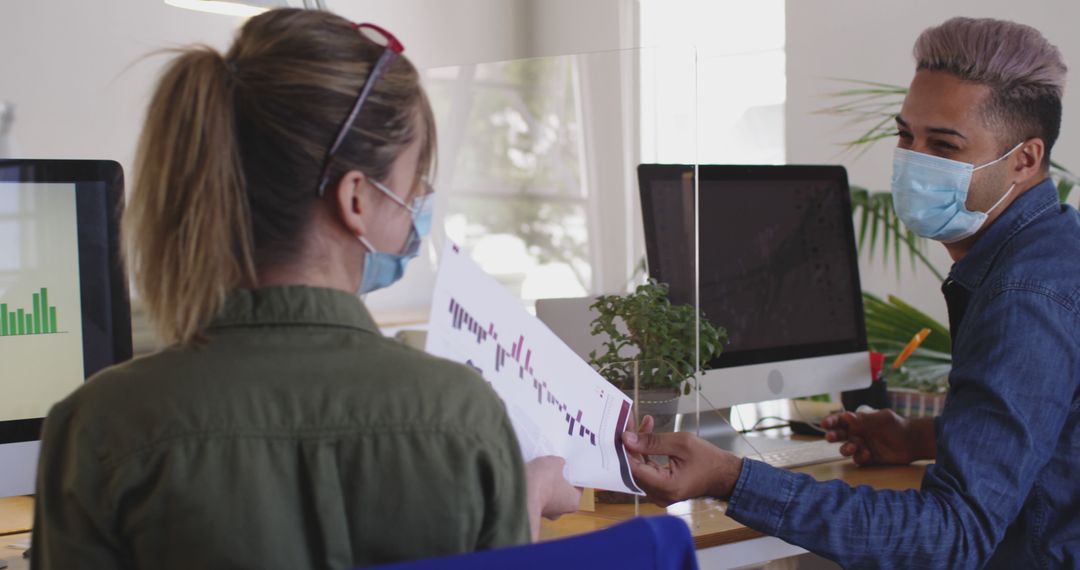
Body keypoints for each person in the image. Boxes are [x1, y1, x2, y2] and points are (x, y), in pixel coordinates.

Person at [30, 9, 579, 570]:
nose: (421, 202)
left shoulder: (98, 427)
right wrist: (526, 494)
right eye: (416, 181)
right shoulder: (465, 416)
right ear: (357, 199)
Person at [622, 17, 1080, 569]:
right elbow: (1050, 432)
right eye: (906, 135)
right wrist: (917, 438)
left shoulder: (1024, 296)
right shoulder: (1054, 247)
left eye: (944, 145)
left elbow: (952, 536)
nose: (913, 160)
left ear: (1024, 160)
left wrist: (731, 477)